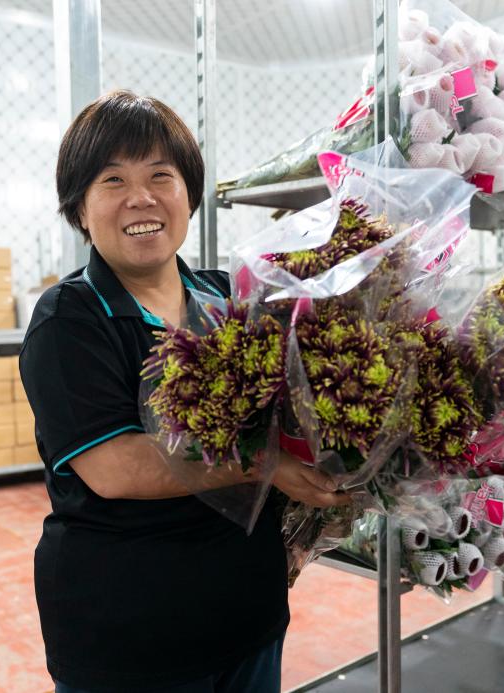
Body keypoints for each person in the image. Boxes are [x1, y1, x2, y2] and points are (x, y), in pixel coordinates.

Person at [19, 89, 349, 693]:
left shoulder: (230, 298)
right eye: (112, 179)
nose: (140, 197)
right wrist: (267, 464)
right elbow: (117, 468)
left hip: (247, 617)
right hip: (132, 636)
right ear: (79, 208)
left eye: (160, 175)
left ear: (189, 195)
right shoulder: (71, 319)